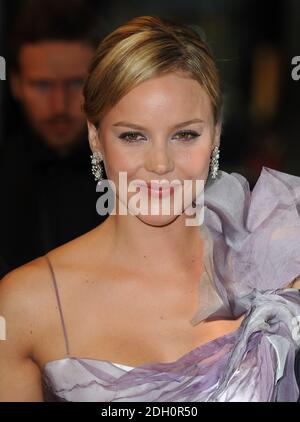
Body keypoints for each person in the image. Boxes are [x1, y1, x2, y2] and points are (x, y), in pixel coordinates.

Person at [0, 15, 300, 402]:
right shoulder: (27, 303)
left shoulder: (280, 261)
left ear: (216, 134)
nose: (160, 163)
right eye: (133, 135)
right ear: (95, 136)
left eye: (184, 134)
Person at [0, 0, 108, 274]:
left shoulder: (131, 174)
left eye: (75, 83)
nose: (59, 105)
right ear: (16, 84)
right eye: (42, 85)